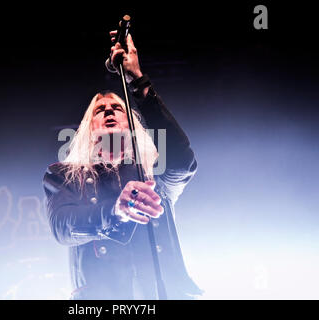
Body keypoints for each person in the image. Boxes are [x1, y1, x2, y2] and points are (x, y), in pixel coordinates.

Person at [43, 31, 202, 299]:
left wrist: (138, 82)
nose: (108, 110)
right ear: (87, 129)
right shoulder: (63, 175)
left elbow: (184, 163)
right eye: (98, 110)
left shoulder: (153, 171)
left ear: (130, 123)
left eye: (117, 108)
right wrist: (116, 211)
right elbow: (62, 226)